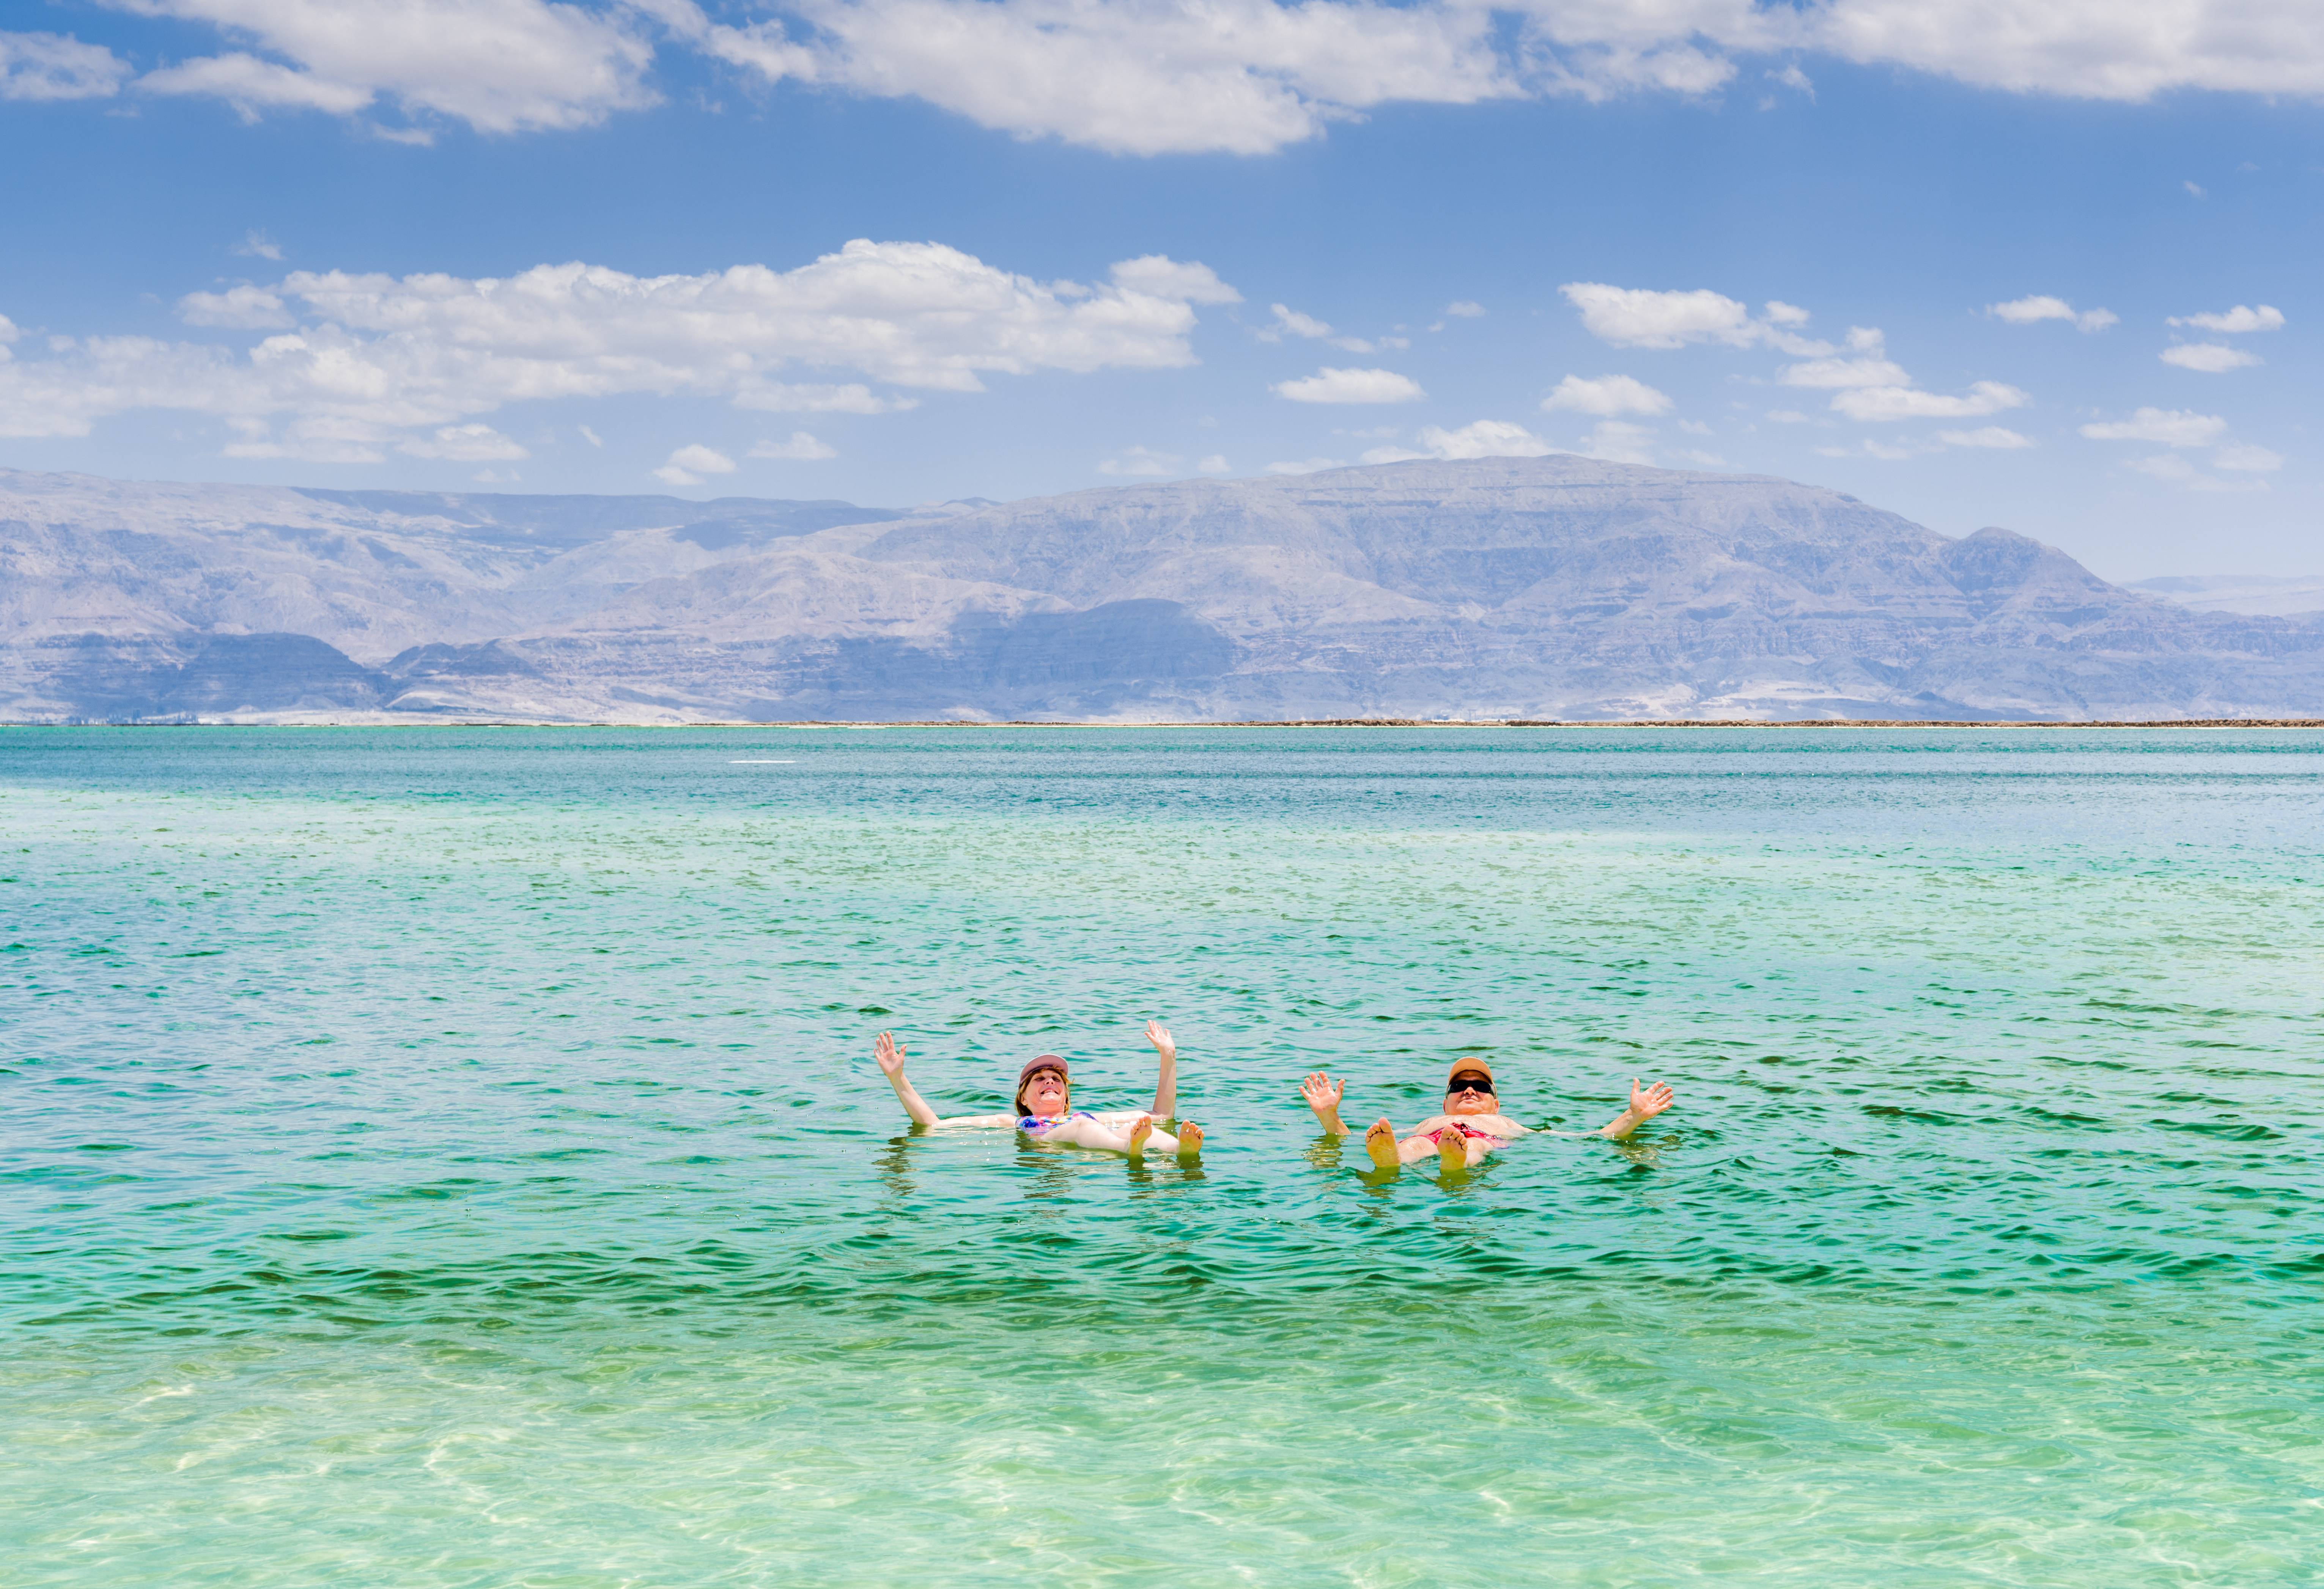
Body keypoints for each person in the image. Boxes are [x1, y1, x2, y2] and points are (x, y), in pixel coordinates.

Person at [874, 1019, 1205, 1159]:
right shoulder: (1013, 1123)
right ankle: (1130, 1149)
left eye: (1056, 1080)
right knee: (1087, 1126)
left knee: (1141, 1128)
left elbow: (1161, 1115)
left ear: (1065, 1095)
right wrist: (897, 1078)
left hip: (1100, 1150)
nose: (1049, 1081)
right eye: (1039, 1079)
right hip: (1058, 1147)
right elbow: (933, 1126)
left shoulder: (1082, 1115)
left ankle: (1182, 1152)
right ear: (1023, 1098)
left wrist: (1169, 1056)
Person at [1298, 1058, 1672, 1172]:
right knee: (1408, 1143)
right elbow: (1346, 1139)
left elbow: (1587, 1138)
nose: (1469, 1090)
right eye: (1459, 1087)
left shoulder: (1505, 1124)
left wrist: (1632, 1116)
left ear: (1496, 1103)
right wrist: (1328, 1117)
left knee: (1475, 1147)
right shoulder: (1429, 1122)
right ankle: (1392, 1159)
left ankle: (1455, 1162)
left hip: (1480, 1140)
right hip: (1432, 1138)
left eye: (1481, 1086)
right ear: (1445, 1103)